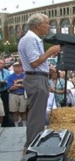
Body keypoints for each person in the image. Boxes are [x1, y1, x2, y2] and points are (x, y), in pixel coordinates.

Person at [18, 13, 61, 151]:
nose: (49, 26)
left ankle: (34, 142)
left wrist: (48, 64)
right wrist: (49, 52)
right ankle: (31, 146)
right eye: (47, 23)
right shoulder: (30, 39)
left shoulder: (33, 39)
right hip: (36, 79)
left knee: (38, 113)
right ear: (38, 25)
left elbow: (36, 62)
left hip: (38, 78)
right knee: (37, 115)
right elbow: (35, 62)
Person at [7, 62, 27, 127]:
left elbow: (27, 86)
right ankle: (16, 126)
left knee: (23, 111)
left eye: (19, 66)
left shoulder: (25, 76)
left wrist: (17, 85)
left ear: (22, 67)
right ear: (13, 68)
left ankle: (24, 125)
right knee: (14, 111)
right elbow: (10, 88)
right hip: (13, 95)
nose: (17, 68)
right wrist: (21, 85)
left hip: (23, 94)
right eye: (15, 66)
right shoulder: (10, 77)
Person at [0, 57, 11, 127]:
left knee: (5, 107)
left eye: (2, 63)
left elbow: (9, 82)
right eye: (0, 63)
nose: (1, 65)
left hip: (4, 91)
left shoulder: (7, 72)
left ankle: (5, 123)